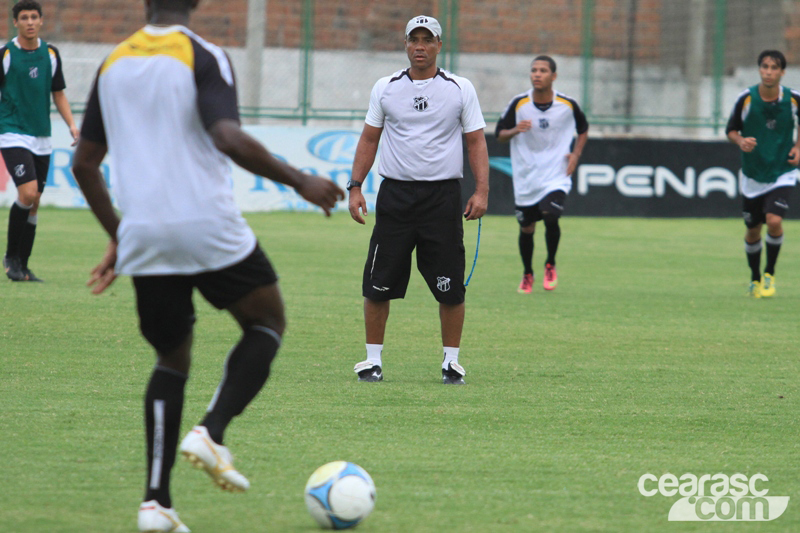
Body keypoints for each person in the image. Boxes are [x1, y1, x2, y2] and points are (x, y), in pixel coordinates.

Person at [71, 1, 344, 531]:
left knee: (171, 360)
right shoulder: (205, 53)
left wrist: (121, 235)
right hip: (205, 223)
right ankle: (212, 431)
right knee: (266, 322)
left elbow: (84, 163)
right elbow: (227, 137)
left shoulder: (112, 63)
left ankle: (156, 503)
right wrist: (300, 181)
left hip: (146, 234)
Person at [348, 15, 489, 386]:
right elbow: (368, 139)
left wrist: (482, 191)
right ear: (406, 44)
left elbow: (475, 141)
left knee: (450, 285)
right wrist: (355, 186)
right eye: (414, 39)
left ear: (440, 45)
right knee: (378, 283)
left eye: (428, 39)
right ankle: (372, 360)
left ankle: (451, 362)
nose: (421, 46)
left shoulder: (460, 88)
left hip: (442, 198)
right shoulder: (386, 87)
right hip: (395, 197)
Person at [495, 55, 588, 293]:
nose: (537, 74)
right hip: (527, 177)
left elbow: (583, 129)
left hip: (556, 174)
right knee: (526, 228)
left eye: (543, 70)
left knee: (550, 214)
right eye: (534, 70)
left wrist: (576, 154)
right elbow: (499, 134)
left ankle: (550, 264)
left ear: (553, 76)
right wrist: (516, 129)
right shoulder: (519, 104)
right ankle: (527, 273)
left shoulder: (568, 104)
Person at [2, 0, 79, 282]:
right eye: (24, 17)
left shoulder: (51, 54)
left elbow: (58, 92)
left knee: (35, 202)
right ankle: (10, 258)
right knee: (27, 193)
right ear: (16, 22)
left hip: (41, 135)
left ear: (41, 21)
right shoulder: (6, 54)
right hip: (12, 132)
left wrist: (72, 125)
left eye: (35, 17)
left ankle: (23, 266)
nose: (30, 22)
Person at [726, 50, 800, 298]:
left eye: (774, 68)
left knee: (775, 220)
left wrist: (798, 146)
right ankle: (755, 278)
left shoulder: (793, 100)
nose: (768, 72)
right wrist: (740, 141)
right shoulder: (745, 99)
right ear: (759, 70)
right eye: (765, 67)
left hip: (782, 171)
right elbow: (731, 130)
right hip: (753, 173)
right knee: (753, 230)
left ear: (782, 72)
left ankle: (769, 273)